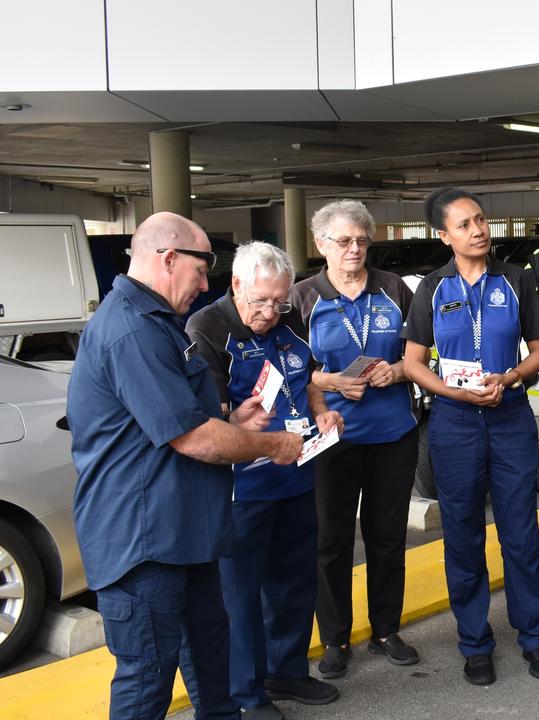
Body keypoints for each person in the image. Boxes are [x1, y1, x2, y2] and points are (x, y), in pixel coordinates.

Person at [67, 213, 303, 720]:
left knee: (210, 661)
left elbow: (188, 415)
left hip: (186, 533)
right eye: (203, 268)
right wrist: (272, 445)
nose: (205, 283)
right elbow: (193, 439)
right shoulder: (131, 330)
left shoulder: (160, 323)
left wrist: (238, 420)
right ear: (168, 257)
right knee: (148, 676)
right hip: (145, 542)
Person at [401, 188, 539, 686]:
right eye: (465, 224)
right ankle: (474, 642)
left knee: (520, 530)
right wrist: (450, 391)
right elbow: (411, 361)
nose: (478, 230)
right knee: (463, 535)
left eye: (482, 220)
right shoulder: (432, 287)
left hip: (509, 416)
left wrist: (508, 379)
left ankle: (535, 636)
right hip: (454, 422)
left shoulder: (517, 280)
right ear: (444, 235)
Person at [186, 242, 344, 718]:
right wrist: (243, 422)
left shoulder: (287, 314)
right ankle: (246, 693)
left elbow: (309, 377)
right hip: (243, 489)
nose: (271, 312)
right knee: (241, 597)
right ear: (235, 285)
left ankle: (287, 670)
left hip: (297, 475)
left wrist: (323, 414)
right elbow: (207, 420)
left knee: (294, 582)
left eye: (279, 302)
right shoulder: (207, 328)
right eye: (260, 301)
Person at [289, 200, 420, 677]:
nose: (355, 249)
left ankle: (386, 629)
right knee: (331, 541)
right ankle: (336, 639)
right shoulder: (302, 298)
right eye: (344, 241)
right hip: (330, 439)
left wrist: (398, 369)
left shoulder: (393, 289)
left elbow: (423, 358)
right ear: (321, 244)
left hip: (393, 436)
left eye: (362, 240)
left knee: (387, 537)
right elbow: (291, 370)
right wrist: (331, 381)